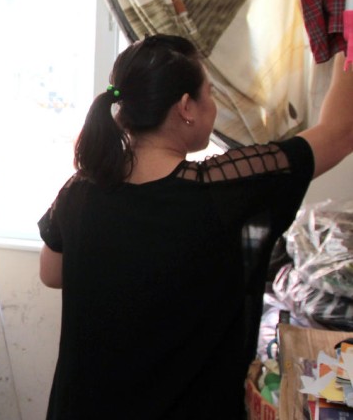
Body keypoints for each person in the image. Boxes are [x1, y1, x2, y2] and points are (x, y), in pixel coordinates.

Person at [37, 34, 353, 420]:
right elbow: (340, 132)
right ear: (186, 106)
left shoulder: (81, 190)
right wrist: (345, 29)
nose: (214, 105)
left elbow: (51, 273)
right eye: (209, 93)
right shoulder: (224, 192)